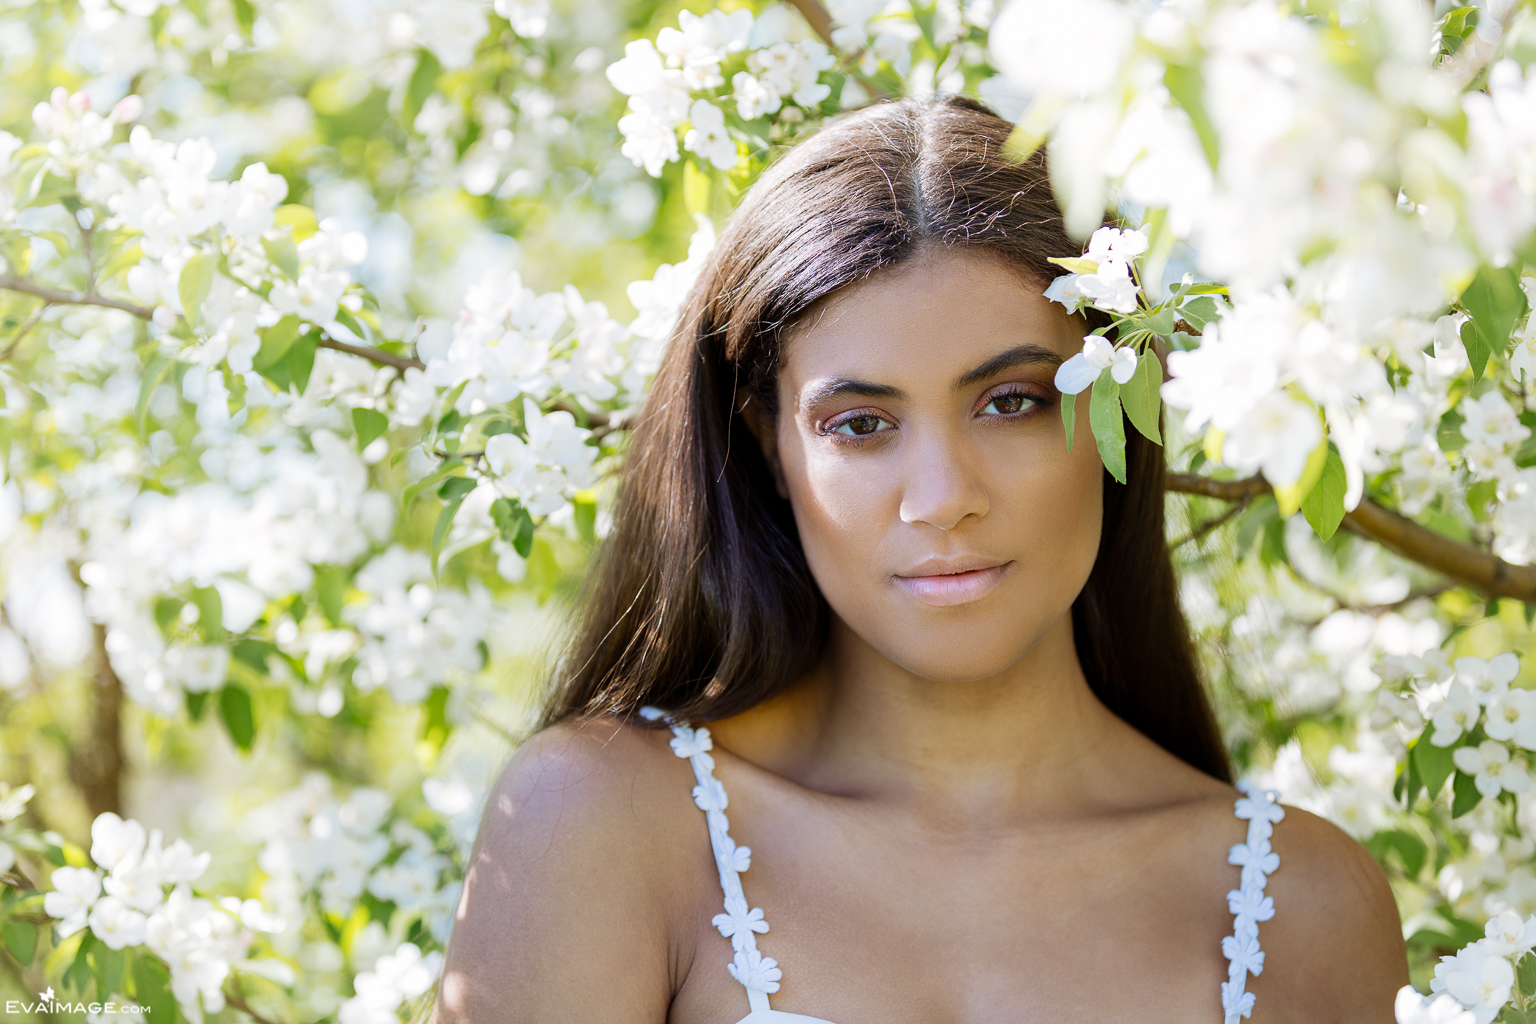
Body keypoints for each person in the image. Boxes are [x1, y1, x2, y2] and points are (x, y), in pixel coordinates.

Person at [432, 96, 1408, 1024]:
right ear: (771, 446)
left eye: (1012, 401)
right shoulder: (602, 822)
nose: (942, 497)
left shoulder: (1304, 902)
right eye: (860, 424)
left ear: (1120, 408)